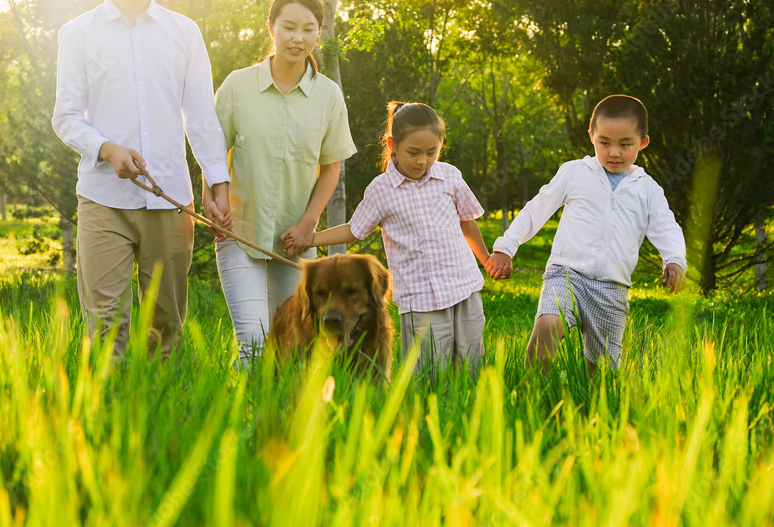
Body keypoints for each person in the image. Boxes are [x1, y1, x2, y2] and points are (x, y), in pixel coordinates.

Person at [52, 0, 232, 359]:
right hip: (102, 200)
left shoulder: (184, 33)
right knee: (108, 326)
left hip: (170, 198)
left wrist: (217, 185)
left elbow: (202, 116)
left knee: (165, 328)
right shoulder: (77, 34)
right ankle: (108, 422)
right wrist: (106, 149)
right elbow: (66, 116)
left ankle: (161, 422)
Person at [203, 0, 357, 365]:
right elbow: (212, 154)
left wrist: (309, 224)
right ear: (271, 27)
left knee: (290, 343)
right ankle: (239, 418)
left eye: (308, 29)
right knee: (254, 342)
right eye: (288, 27)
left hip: (295, 243)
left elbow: (330, 167)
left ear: (318, 33)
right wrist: (211, 197)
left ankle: (283, 418)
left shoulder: (329, 96)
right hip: (240, 232)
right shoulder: (238, 85)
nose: (297, 37)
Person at [485, 94, 687, 372]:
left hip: (612, 286)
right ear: (591, 136)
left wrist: (674, 259)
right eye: (604, 142)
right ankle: (531, 390)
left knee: (601, 370)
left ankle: (592, 406)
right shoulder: (575, 173)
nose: (614, 152)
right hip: (566, 273)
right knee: (548, 324)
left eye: (625, 144)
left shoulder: (647, 188)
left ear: (643, 142)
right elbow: (536, 209)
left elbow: (666, 226)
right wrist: (505, 247)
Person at [291, 101, 492, 375]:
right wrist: (310, 239)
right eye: (413, 152)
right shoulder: (381, 190)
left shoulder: (450, 176)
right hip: (421, 298)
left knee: (472, 362)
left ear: (441, 145)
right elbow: (354, 229)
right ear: (392, 144)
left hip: (463, 286)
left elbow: (467, 223)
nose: (422, 160)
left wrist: (486, 259)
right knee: (431, 370)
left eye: (431, 152)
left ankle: (473, 411)